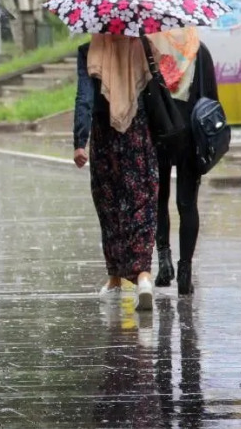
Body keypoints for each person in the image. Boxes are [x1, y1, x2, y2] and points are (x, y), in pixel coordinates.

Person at [73, 34, 158, 312]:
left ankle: (115, 280)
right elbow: (157, 91)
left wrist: (79, 141)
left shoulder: (89, 51)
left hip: (104, 137)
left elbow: (84, 98)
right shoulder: (142, 47)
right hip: (138, 134)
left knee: (110, 207)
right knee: (141, 203)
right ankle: (144, 277)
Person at [148, 28, 218, 296]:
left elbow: (144, 95)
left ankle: (164, 263)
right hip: (190, 136)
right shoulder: (200, 51)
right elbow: (211, 100)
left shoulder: (151, 49)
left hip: (159, 133)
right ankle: (185, 272)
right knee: (187, 204)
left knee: (158, 200)